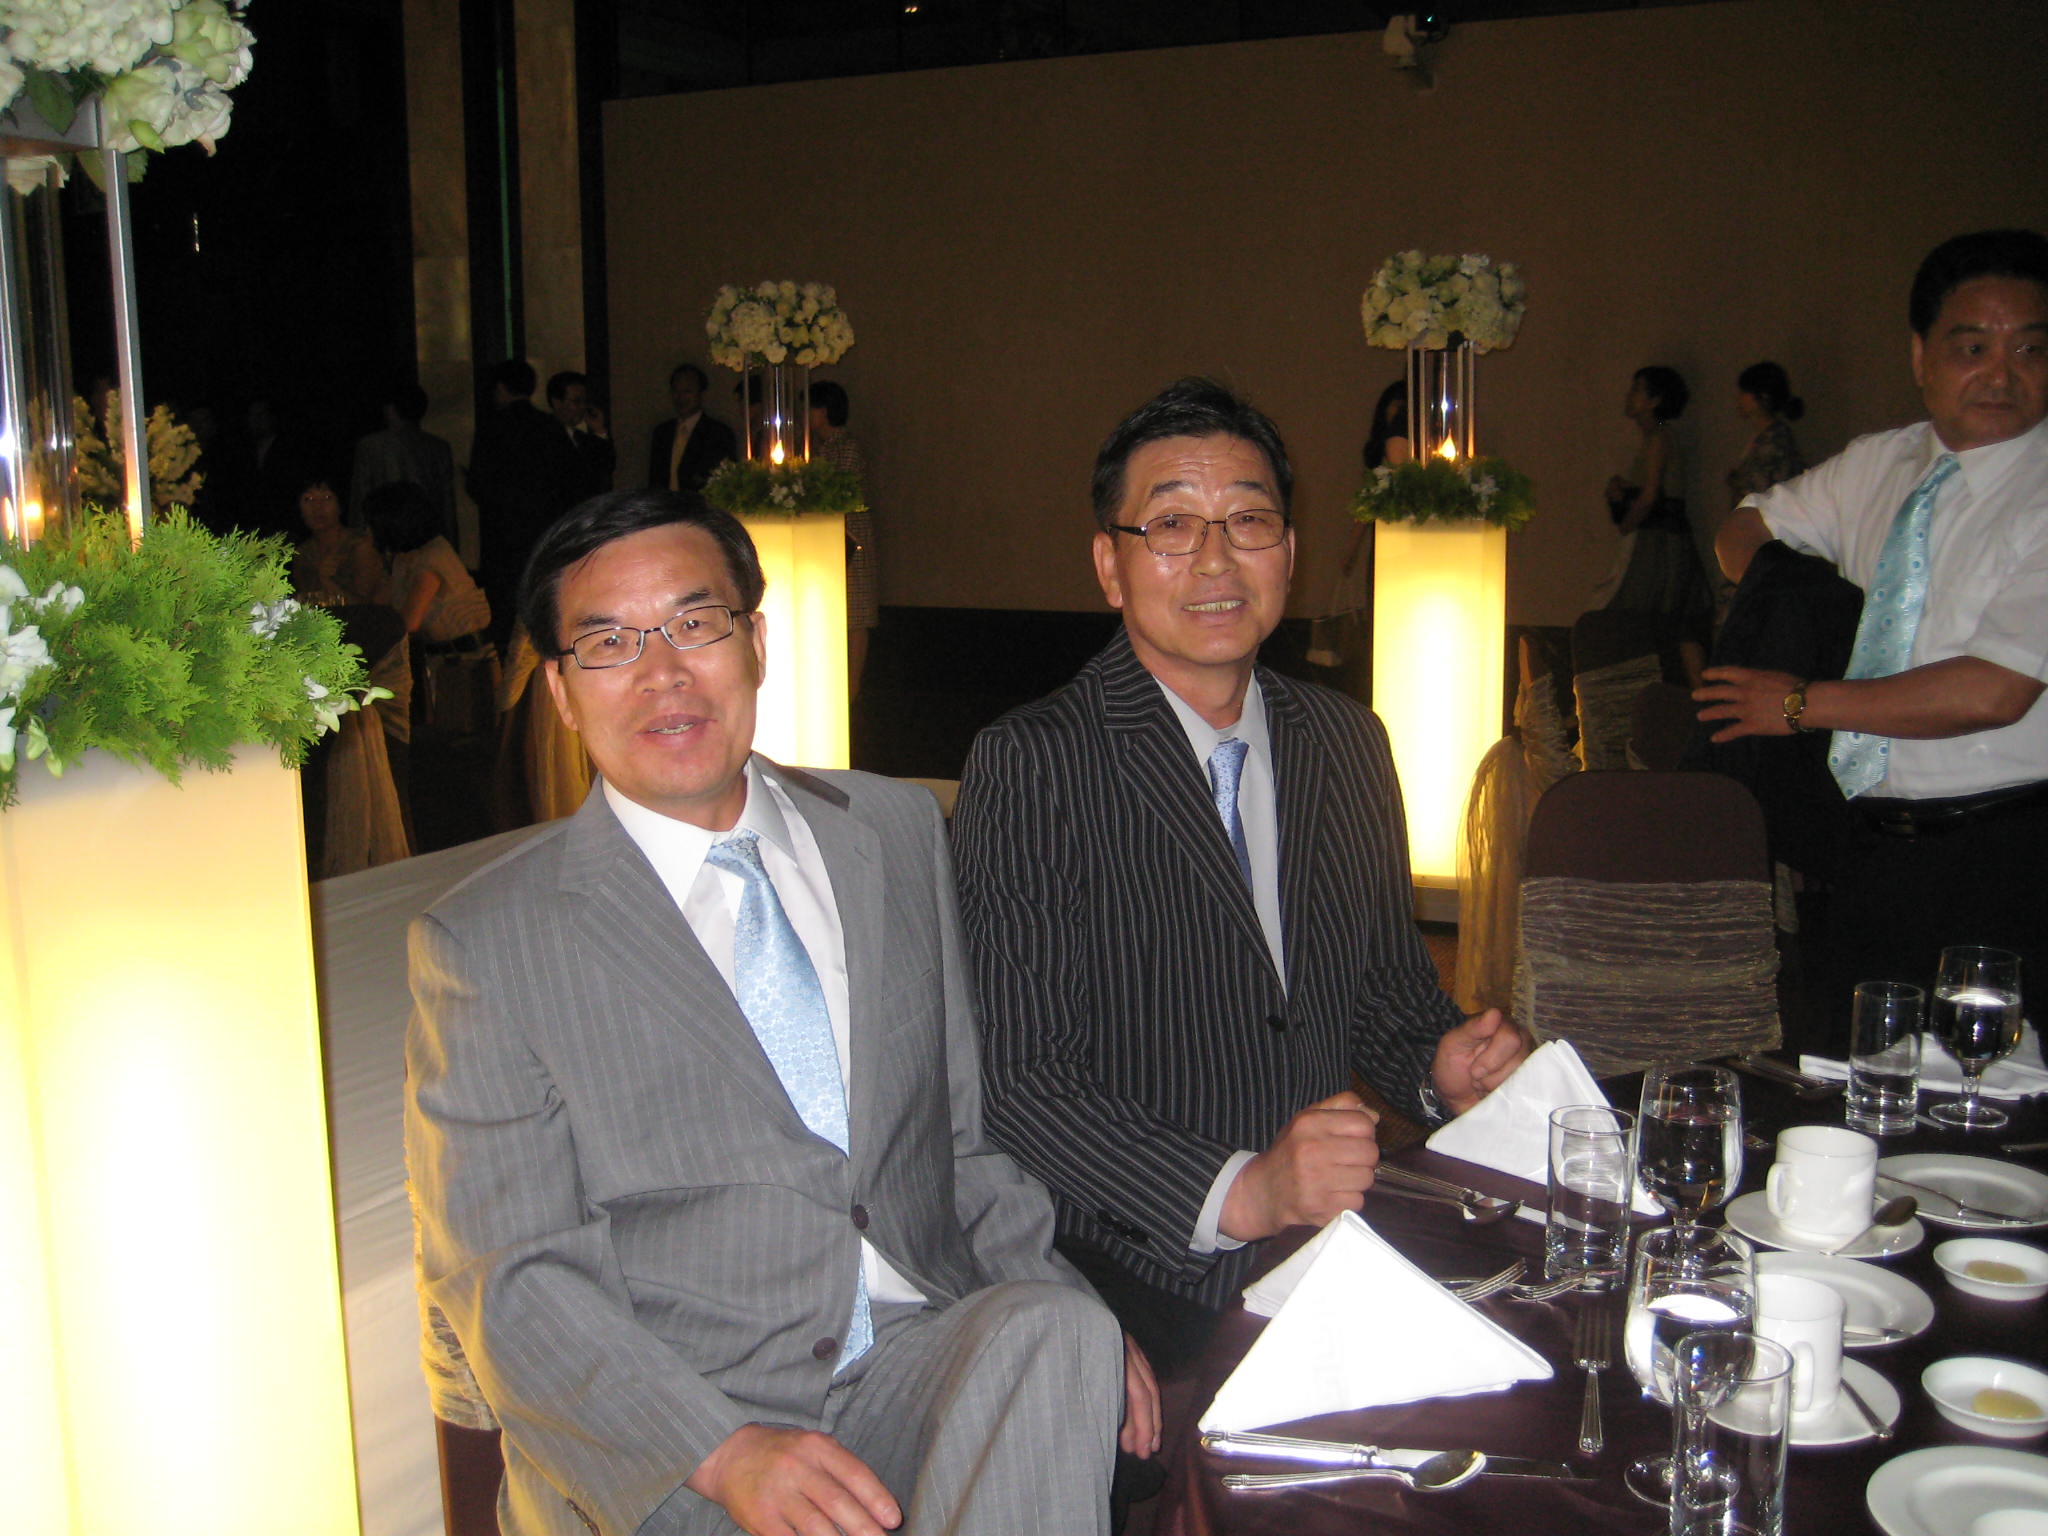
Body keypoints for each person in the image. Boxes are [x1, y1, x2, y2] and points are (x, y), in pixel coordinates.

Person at [406, 489, 1139, 1536]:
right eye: (609, 643)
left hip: (910, 1360)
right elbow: (508, 1277)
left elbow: (959, 1148)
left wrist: (1075, 1309)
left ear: (754, 642)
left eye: (695, 623)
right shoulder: (487, 942)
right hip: (676, 1428)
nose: (663, 672)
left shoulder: (893, 829)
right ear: (561, 692)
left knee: (1063, 1334)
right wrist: (724, 1453)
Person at [951, 378, 1528, 1373]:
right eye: (1172, 525)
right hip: (1128, 1263)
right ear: (1110, 565)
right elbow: (1020, 1080)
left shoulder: (1345, 741)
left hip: (1325, 1242)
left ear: (1289, 553)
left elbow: (1384, 995)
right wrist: (1242, 1191)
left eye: (1248, 522)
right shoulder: (1035, 761)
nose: (1215, 560)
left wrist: (1439, 1068)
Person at [1698, 228, 2048, 1040]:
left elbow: (1996, 690)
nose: (2002, 374)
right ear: (1922, 355)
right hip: (1871, 847)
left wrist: (1799, 702)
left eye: (2030, 349)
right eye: (1973, 347)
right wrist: (1801, 598)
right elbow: (1742, 530)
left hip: (2008, 849)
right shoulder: (1880, 464)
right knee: (1858, 1076)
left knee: (1996, 1090)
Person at [1600, 364, 1713, 678]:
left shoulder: (1659, 439)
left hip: (1660, 542)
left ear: (1655, 400)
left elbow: (1651, 495)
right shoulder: (1655, 438)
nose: (1629, 395)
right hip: (1662, 538)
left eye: (1637, 389)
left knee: (1653, 615)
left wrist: (1627, 523)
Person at [469, 358, 571, 646]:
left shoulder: (492, 427)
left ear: (502, 388)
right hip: (543, 530)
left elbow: (477, 484)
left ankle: (506, 666)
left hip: (502, 534)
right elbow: (567, 480)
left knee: (504, 609)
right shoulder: (549, 425)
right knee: (540, 603)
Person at [809, 380, 877, 695]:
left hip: (851, 534)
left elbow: (839, 491)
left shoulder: (847, 446)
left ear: (824, 410)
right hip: (825, 537)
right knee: (832, 610)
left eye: (810, 408)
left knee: (856, 614)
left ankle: (853, 686)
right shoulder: (816, 447)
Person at [351, 383, 458, 538]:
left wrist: (358, 541)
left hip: (385, 536)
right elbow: (447, 506)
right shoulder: (438, 447)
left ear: (391, 409)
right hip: (426, 537)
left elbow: (360, 501)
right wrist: (450, 543)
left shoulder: (370, 446)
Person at [290, 475, 385, 606]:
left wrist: (326, 581)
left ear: (340, 505)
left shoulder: (360, 546)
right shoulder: (302, 553)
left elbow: (368, 605)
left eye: (327, 498)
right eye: (308, 499)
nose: (317, 507)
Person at [647, 363, 739, 493]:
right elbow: (655, 481)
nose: (680, 398)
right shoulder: (662, 433)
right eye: (676, 391)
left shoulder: (718, 434)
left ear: (702, 394)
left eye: (687, 391)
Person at [1725, 361, 1807, 507]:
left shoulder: (1773, 443)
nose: (1738, 398)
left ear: (1761, 397)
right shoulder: (1765, 438)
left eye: (1744, 392)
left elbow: (1760, 493)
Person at [546, 369, 617, 501]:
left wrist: (599, 431)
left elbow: (606, 467)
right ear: (557, 403)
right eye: (576, 401)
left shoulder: (581, 438)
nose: (582, 407)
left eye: (585, 401)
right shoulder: (544, 436)